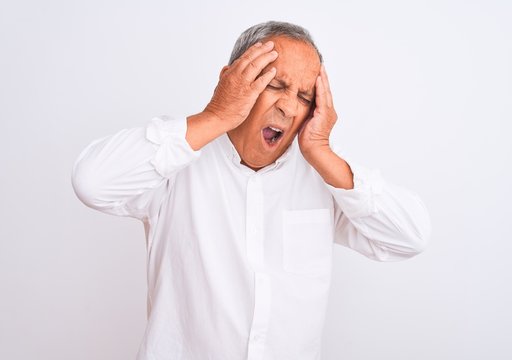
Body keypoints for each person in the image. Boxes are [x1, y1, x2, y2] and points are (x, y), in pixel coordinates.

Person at [71, 20, 431, 360]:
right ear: (232, 82)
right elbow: (92, 183)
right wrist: (215, 116)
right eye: (275, 85)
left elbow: (409, 238)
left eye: (305, 97)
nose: (289, 107)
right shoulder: (177, 159)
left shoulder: (321, 176)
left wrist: (322, 150)